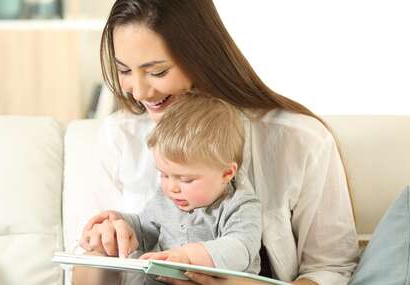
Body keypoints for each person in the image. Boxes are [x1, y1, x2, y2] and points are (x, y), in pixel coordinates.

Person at [72, 0, 360, 284]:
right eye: (124, 71)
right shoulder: (119, 137)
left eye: (157, 72)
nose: (139, 91)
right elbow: (90, 263)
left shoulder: (300, 140)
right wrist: (103, 241)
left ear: (201, 57)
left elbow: (331, 267)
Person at [80, 93, 262, 284]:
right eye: (164, 175)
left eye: (186, 179)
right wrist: (122, 225)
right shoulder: (165, 198)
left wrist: (188, 257)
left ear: (226, 173)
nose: (171, 187)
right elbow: (145, 228)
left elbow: (240, 248)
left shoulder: (240, 205)